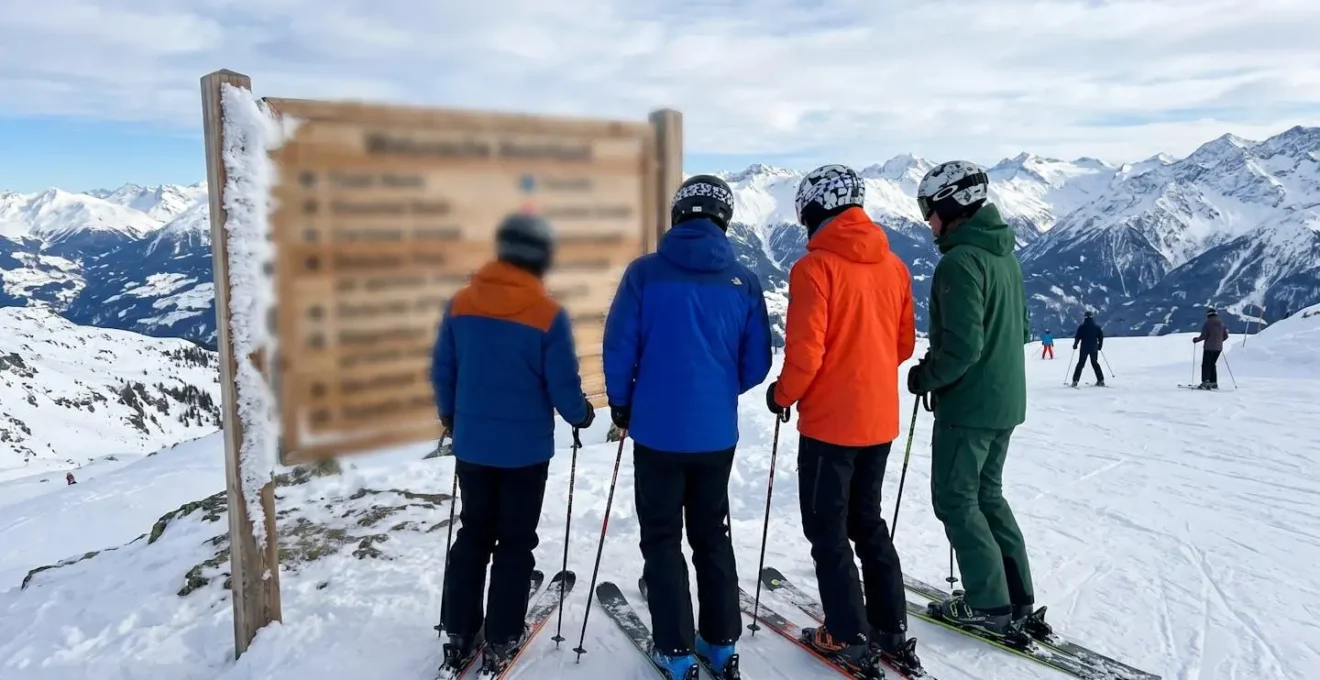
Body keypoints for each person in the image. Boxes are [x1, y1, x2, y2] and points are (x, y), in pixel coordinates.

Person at [603, 174, 772, 680]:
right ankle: (719, 645)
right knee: (711, 535)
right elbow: (757, 363)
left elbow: (619, 347)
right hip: (715, 435)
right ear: (725, 220)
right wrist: (716, 391)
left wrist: (623, 404)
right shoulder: (744, 280)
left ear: (678, 215)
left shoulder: (644, 274)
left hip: (657, 432)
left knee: (661, 538)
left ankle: (675, 652)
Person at [764, 164, 922, 676]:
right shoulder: (894, 266)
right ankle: (889, 627)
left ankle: (848, 635)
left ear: (813, 210)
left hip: (830, 426)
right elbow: (902, 345)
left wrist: (782, 395)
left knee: (827, 529)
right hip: (879, 420)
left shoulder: (814, 269)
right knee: (868, 522)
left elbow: (805, 354)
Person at [431, 212, 595, 673]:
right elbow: (562, 384)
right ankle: (503, 635)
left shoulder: (460, 303)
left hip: (473, 446)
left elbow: (443, 369)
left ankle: (459, 630)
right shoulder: (548, 314)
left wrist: (451, 415)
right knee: (515, 541)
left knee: (473, 534)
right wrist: (581, 414)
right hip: (525, 452)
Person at [906, 160, 1040, 638]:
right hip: (1005, 400)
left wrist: (927, 376)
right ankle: (1016, 596)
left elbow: (963, 347)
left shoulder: (960, 261)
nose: (926, 220)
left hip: (969, 405)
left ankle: (987, 603)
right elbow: (1021, 330)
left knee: (957, 499)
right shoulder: (1003, 256)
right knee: (988, 495)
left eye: (929, 209)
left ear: (951, 205)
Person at [1193, 307, 1229, 389]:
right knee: (1212, 364)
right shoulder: (1221, 323)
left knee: (1206, 364)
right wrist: (1218, 341)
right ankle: (1214, 382)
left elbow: (1203, 336)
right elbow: (1226, 336)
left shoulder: (1208, 323)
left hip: (1209, 348)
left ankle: (1206, 382)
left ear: (1208, 315)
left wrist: (1196, 340)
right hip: (1218, 348)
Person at [1071, 311, 1105, 387]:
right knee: (1095, 363)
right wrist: (1100, 346)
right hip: (1094, 348)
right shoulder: (1097, 327)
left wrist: (1075, 345)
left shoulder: (1081, 327)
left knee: (1081, 364)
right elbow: (1101, 337)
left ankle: (1075, 381)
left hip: (1084, 348)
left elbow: (1077, 337)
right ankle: (1101, 380)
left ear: (1085, 317)